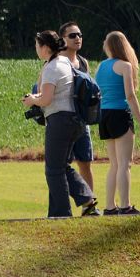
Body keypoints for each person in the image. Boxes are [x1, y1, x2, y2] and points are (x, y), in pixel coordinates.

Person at [22, 30, 99, 218]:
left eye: (37, 45)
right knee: (62, 166)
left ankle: (61, 214)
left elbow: (46, 99)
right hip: (74, 120)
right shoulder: (63, 62)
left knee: (53, 170)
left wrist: (32, 99)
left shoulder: (51, 68)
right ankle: (87, 199)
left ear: (46, 48)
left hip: (59, 121)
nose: (36, 49)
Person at [95, 31, 140, 215]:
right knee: (125, 164)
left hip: (104, 115)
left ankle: (110, 206)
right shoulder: (125, 66)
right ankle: (125, 206)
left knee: (114, 164)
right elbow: (130, 95)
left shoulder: (101, 66)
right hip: (120, 113)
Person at [58, 21, 95, 194]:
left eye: (79, 35)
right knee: (62, 165)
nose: (77, 38)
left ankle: (90, 207)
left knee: (85, 163)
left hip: (82, 121)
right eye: (72, 35)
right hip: (63, 120)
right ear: (62, 39)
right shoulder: (56, 61)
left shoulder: (83, 62)